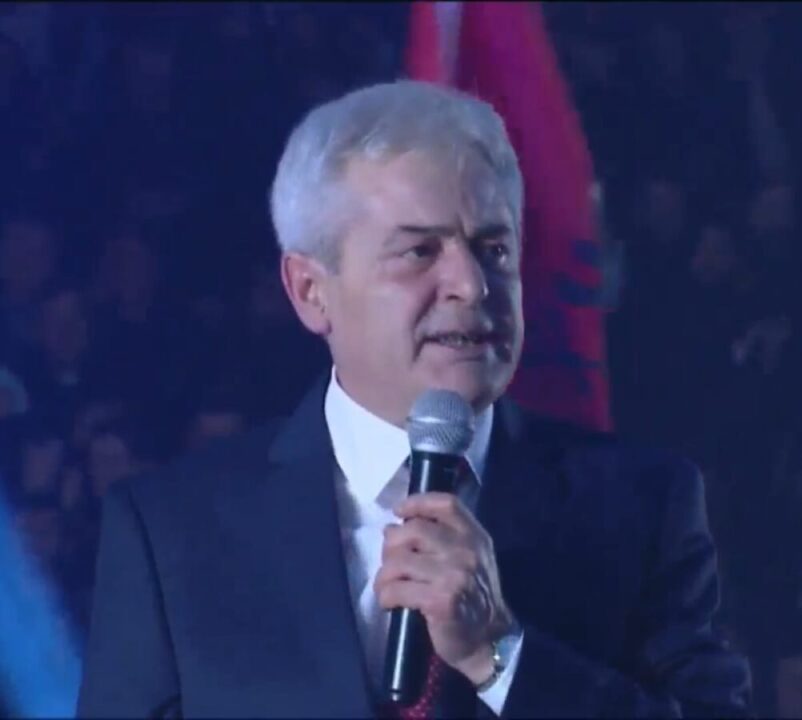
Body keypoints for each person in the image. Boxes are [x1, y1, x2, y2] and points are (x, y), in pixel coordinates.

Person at [77, 80, 751, 718]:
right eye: (419, 252)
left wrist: (500, 656)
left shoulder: (641, 507)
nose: (471, 285)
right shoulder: (172, 533)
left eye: (494, 249)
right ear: (311, 291)